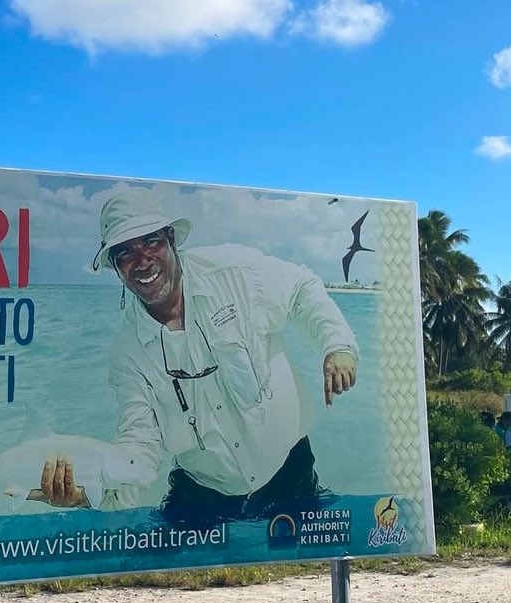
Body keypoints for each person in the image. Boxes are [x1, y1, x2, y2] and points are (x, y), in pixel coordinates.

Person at [37, 188, 360, 525]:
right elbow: (139, 446)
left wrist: (337, 345)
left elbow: (301, 288)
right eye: (125, 253)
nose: (142, 260)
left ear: (171, 239)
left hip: (290, 472)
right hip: (202, 493)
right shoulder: (127, 355)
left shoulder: (235, 272)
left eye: (150, 241)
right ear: (116, 268)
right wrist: (87, 494)